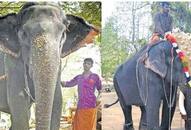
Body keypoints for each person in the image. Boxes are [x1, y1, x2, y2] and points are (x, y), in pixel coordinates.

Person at [61, 58, 102, 130]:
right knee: (79, 126)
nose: (86, 65)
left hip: (91, 105)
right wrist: (61, 82)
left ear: (91, 66)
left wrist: (98, 99)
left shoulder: (95, 77)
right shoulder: (79, 77)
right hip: (81, 105)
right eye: (85, 63)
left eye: (88, 64)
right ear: (83, 64)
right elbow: (69, 83)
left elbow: (100, 90)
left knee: (89, 126)